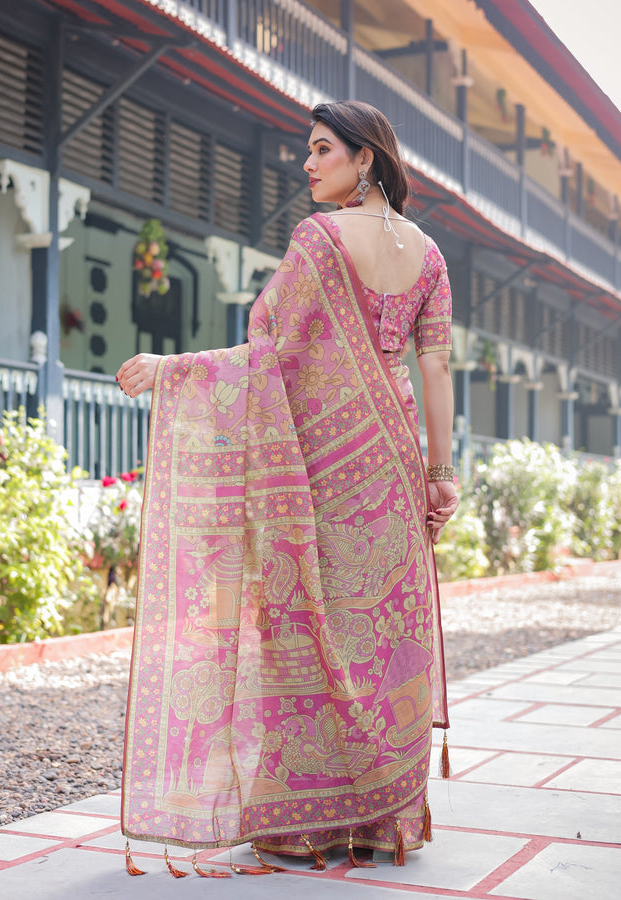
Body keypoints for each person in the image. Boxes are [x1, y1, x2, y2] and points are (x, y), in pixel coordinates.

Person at [117, 100, 458, 875]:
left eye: (321, 150)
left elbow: (267, 353)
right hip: (395, 459)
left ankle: (308, 821)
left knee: (312, 626)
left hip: (325, 467)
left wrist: (175, 370)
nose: (307, 164)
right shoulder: (431, 254)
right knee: (380, 636)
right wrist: (442, 472)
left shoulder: (319, 241)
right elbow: (434, 367)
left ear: (365, 158)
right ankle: (380, 818)